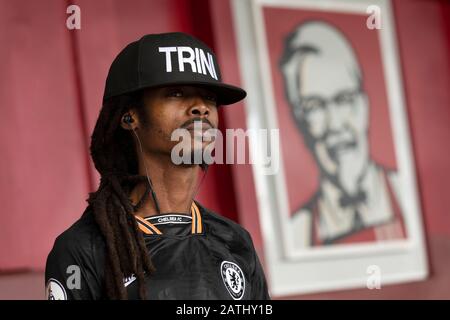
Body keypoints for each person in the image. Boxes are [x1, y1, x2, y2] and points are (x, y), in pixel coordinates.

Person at [45, 32, 270, 300]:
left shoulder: (236, 240)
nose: (201, 107)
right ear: (130, 117)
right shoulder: (82, 248)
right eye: (176, 93)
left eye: (209, 98)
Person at [279, 21, 406, 247]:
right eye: (314, 106)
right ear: (299, 121)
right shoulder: (296, 233)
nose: (335, 124)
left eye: (344, 99)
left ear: (364, 105)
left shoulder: (410, 195)